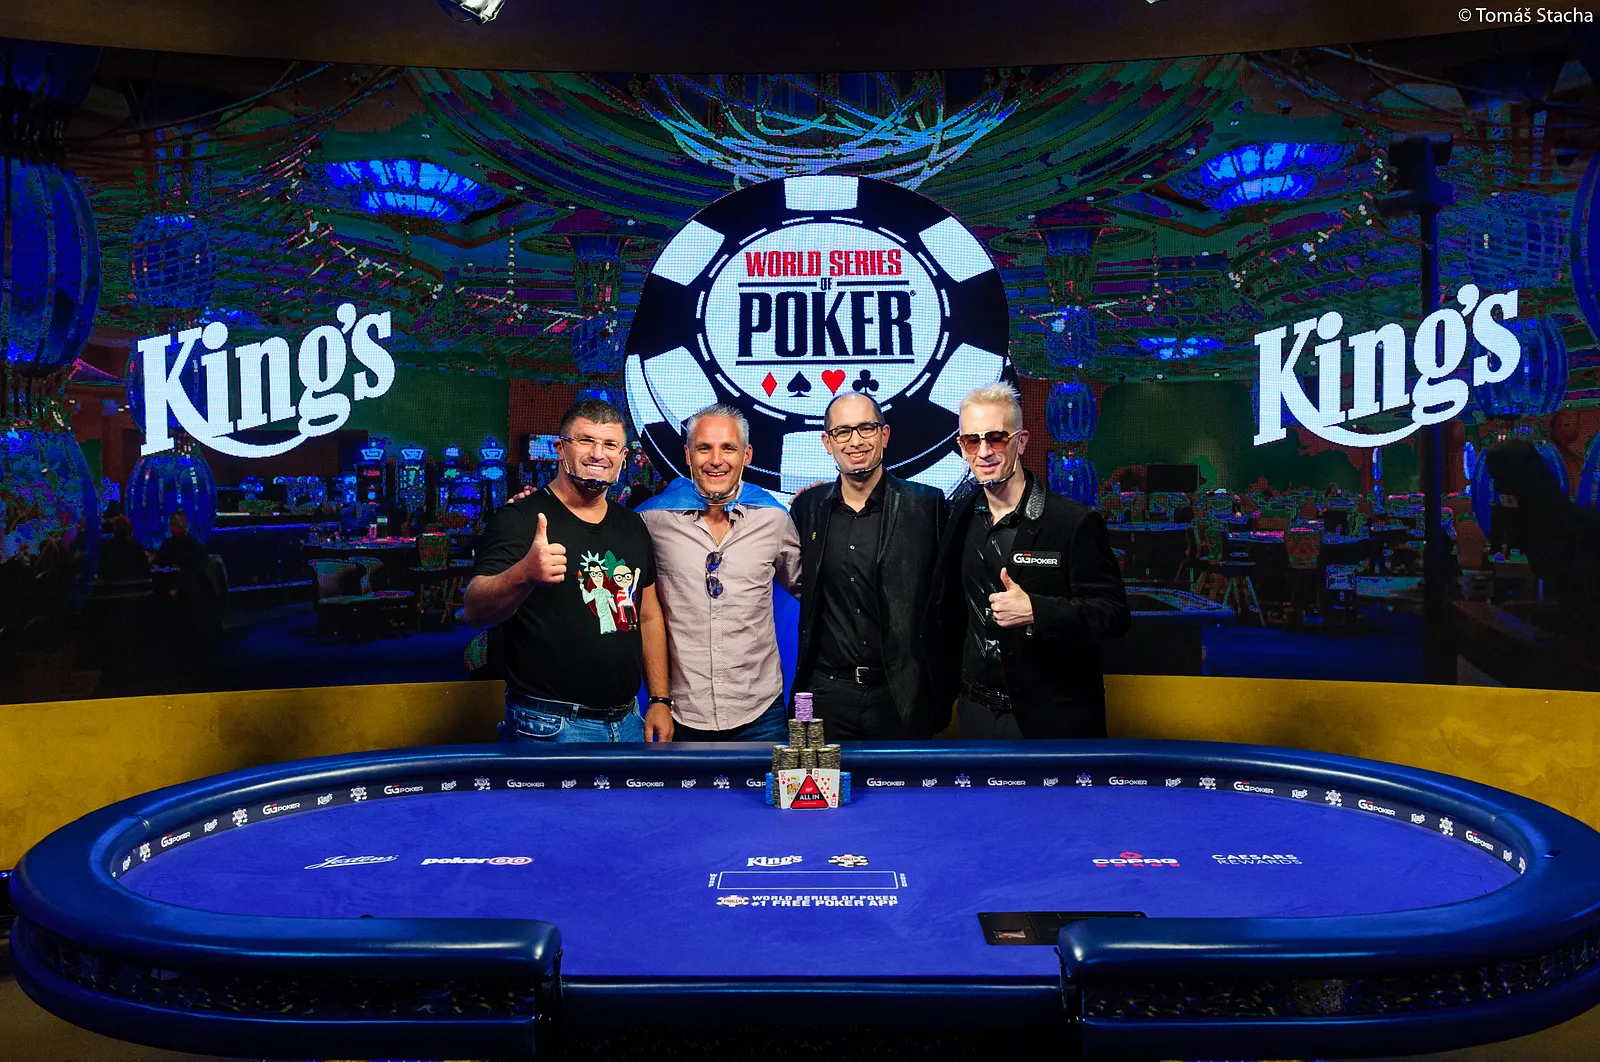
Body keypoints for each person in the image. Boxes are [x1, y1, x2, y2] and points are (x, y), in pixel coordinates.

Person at [926, 382, 1130, 739]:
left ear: (1021, 442)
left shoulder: (1072, 522)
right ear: (962, 447)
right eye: (972, 441)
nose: (984, 452)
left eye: (996, 438)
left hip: (1050, 718)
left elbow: (1114, 615)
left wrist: (1038, 610)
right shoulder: (959, 516)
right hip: (975, 712)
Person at [464, 398, 672, 743]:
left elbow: (648, 616)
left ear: (623, 456)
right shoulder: (520, 519)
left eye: (610, 444)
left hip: (628, 721)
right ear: (560, 449)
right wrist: (523, 574)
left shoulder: (633, 525)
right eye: (586, 440)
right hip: (549, 725)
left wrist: (660, 700)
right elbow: (474, 611)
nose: (598, 454)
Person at [636, 403, 801, 741]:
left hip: (760, 712)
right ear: (687, 455)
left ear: (747, 455)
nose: (716, 460)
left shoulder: (773, 518)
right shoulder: (651, 520)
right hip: (681, 713)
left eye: (728, 448)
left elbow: (812, 587)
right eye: (703, 448)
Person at [789, 391, 945, 739]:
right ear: (827, 443)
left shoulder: (927, 507)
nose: (855, 441)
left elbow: (947, 604)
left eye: (866, 428)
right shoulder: (808, 508)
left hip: (901, 695)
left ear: (884, 435)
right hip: (826, 694)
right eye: (842, 431)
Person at [98, 514, 151, 583]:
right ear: (130, 531)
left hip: (111, 588)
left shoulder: (106, 547)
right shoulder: (137, 547)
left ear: (114, 529)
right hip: (135, 588)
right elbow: (146, 571)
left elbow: (101, 572)